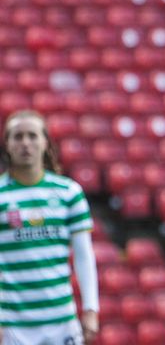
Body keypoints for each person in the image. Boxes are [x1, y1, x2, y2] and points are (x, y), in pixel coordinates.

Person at [0, 110, 99, 344]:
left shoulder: (68, 193)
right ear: (7, 144)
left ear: (45, 142)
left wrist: (91, 309)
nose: (25, 143)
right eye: (18, 136)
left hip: (62, 321)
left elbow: (84, 256)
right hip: (13, 325)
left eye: (32, 136)